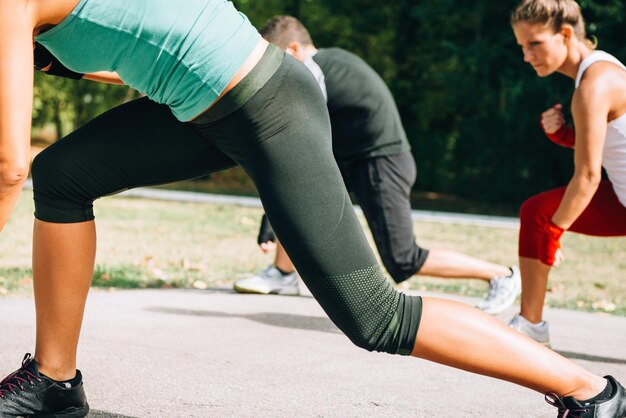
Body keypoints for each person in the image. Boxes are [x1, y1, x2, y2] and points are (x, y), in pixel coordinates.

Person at [0, 0, 624, 417]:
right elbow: (147, 44)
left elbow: (7, 166)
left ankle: (591, 392)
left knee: (375, 316)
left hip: (266, 104)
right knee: (64, 176)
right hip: (205, 106)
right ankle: (54, 383)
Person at [233, 16, 521, 316]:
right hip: (362, 159)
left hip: (381, 164)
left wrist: (270, 217)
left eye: (277, 59)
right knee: (298, 189)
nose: (274, 71)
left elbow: (300, 132)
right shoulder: (335, 61)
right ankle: (283, 273)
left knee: (403, 259)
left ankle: (500, 275)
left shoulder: (314, 69)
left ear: (294, 49)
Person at [508, 0, 626, 348]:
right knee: (536, 212)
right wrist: (565, 136)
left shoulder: (593, 86)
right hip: (621, 196)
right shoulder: (600, 68)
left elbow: (588, 176)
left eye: (534, 44)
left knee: (546, 221)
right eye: (522, 47)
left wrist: (555, 233)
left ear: (564, 34)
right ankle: (531, 323)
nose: (527, 56)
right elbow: (613, 143)